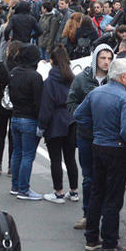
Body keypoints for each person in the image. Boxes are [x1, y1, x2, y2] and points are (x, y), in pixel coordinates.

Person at [73, 57, 126, 251]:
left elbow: (79, 115)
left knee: (97, 192)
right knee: (113, 196)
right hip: (117, 149)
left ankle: (92, 237)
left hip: (98, 145)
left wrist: (95, 129)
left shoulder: (97, 92)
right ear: (123, 76)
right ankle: (110, 242)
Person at [67, 43, 114, 230]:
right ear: (95, 59)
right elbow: (71, 102)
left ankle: (105, 214)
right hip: (86, 136)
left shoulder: (114, 80)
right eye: (103, 58)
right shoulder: (82, 79)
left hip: (108, 137)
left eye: (110, 58)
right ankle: (88, 214)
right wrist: (84, 117)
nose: (106, 62)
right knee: (89, 177)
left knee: (107, 178)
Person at [39, 45, 79, 204]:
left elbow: (46, 107)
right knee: (70, 158)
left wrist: (42, 126)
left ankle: (58, 192)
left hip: (55, 123)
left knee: (56, 159)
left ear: (52, 61)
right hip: (71, 121)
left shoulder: (49, 82)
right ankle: (74, 191)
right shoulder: (74, 79)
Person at [7, 44, 44, 200]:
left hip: (15, 116)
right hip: (30, 119)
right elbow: (39, 102)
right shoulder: (35, 76)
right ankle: (24, 189)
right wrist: (42, 122)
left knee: (17, 153)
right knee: (28, 155)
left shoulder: (14, 72)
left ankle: (15, 186)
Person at [0, 40, 21, 176]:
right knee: (13, 136)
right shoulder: (21, 68)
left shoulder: (2, 65)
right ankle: (11, 166)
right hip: (16, 105)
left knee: (0, 134)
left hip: (1, 103)